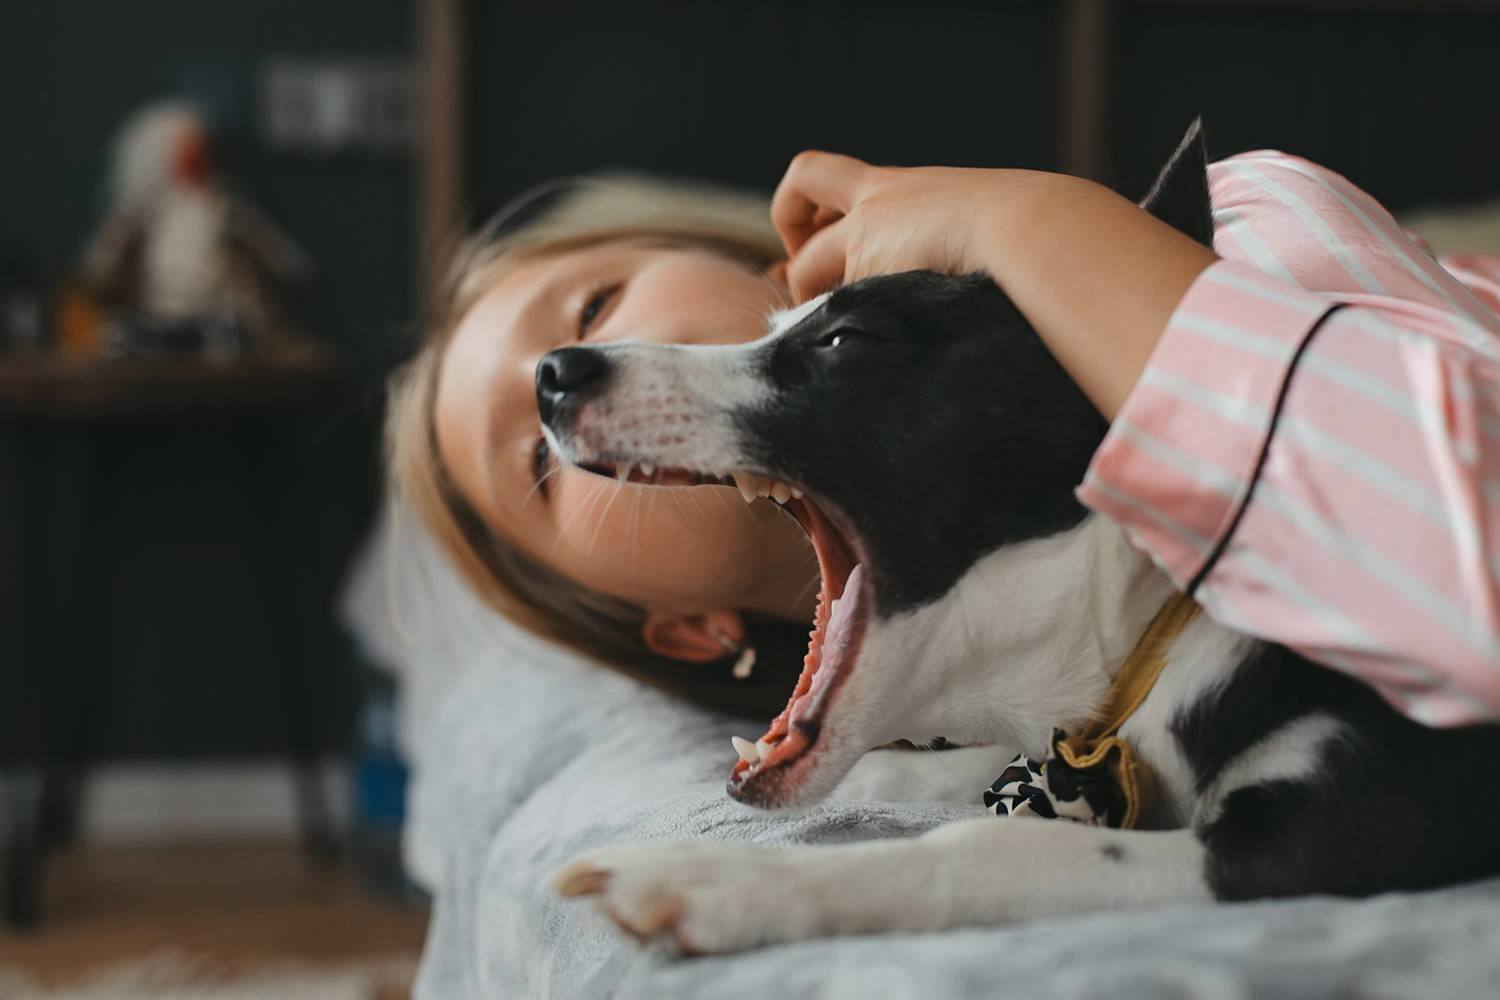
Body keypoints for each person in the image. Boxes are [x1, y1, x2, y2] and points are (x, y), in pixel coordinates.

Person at [390, 143, 1500, 729]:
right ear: (685, 630)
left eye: (593, 311)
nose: (569, 388)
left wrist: (1024, 223)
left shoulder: (1249, 231)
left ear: (769, 265)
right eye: (536, 461)